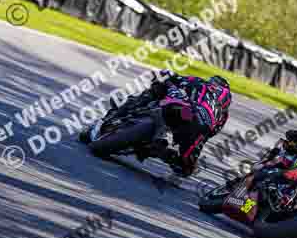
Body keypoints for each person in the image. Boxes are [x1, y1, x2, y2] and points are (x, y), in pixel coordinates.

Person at [94, 70, 232, 177]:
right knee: (184, 169)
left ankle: (118, 112)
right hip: (199, 130)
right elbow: (210, 133)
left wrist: (165, 76)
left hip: (183, 109)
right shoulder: (222, 115)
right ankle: (166, 152)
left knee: (157, 88)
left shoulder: (200, 83)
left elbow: (173, 78)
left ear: (212, 83)